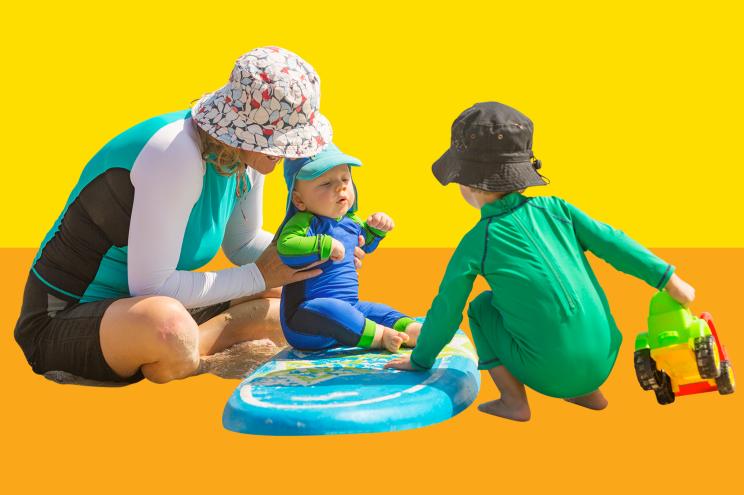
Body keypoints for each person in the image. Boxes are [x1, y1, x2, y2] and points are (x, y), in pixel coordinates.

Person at [14, 46, 366, 385]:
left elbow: (243, 244)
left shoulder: (248, 157)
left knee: (293, 298)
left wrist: (319, 251)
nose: (289, 152)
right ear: (244, 130)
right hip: (63, 319)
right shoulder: (175, 154)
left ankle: (187, 353)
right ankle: (187, 353)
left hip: (142, 307)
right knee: (169, 328)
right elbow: (151, 287)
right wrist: (260, 276)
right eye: (282, 140)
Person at [385, 102, 696, 421]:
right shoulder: (558, 208)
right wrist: (668, 279)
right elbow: (615, 244)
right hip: (606, 356)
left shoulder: (478, 241)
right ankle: (588, 392)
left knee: (480, 308)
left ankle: (513, 401)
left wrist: (421, 360)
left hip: (548, 373)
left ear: (468, 184)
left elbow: (447, 308)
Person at [276, 144, 422, 352]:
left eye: (345, 179)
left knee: (376, 310)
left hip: (349, 309)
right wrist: (323, 245)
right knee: (334, 310)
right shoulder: (305, 222)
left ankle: (411, 329)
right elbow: (286, 246)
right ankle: (379, 336)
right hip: (305, 319)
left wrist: (376, 230)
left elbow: (365, 245)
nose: (340, 187)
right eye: (326, 183)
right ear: (299, 200)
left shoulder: (350, 221)